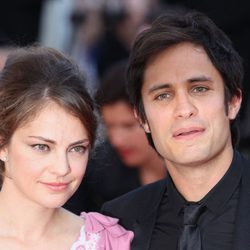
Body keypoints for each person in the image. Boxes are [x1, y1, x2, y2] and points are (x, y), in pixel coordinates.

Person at [101, 10, 250, 250]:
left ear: (233, 101)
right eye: (163, 95)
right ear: (143, 118)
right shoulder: (118, 223)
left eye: (199, 89)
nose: (184, 109)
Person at [0, 46, 133, 249]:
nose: (63, 168)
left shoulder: (107, 243)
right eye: (42, 147)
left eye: (76, 149)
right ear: (3, 145)